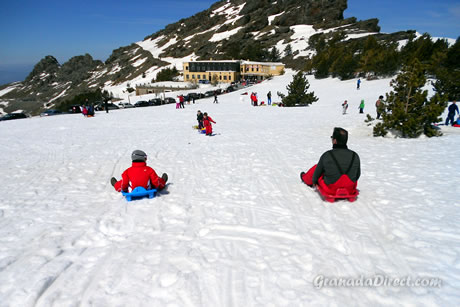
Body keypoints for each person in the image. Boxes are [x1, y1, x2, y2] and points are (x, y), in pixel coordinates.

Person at [300, 127, 361, 195]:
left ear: (335, 141)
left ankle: (304, 177)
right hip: (350, 189)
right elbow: (357, 175)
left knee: (317, 168)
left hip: (331, 189)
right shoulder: (355, 155)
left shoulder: (327, 155)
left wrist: (314, 181)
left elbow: (315, 177)